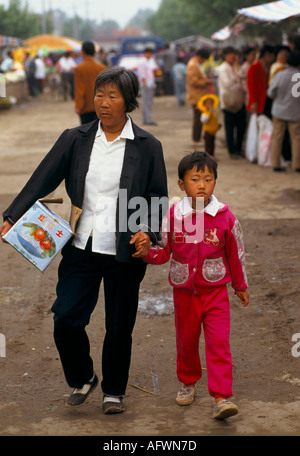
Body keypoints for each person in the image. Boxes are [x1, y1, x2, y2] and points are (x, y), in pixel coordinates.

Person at [0, 67, 168, 415]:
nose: (104, 103)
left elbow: (155, 199)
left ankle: (114, 391)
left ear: (129, 101)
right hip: (81, 246)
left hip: (124, 251)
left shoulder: (148, 146)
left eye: (113, 96)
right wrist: (11, 216)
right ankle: (84, 376)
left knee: (120, 326)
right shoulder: (74, 138)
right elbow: (41, 179)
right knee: (66, 318)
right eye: (99, 95)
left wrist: (147, 233)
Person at [140, 151, 249, 420]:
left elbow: (236, 254)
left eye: (208, 179)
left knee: (219, 344)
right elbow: (164, 251)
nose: (202, 185)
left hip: (216, 294)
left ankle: (222, 397)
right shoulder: (174, 215)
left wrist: (239, 284)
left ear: (215, 182)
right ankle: (188, 383)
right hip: (184, 294)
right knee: (186, 343)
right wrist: (145, 253)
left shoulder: (225, 217)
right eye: (195, 179)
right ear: (181, 184)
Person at [267, 52, 300, 172]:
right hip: (296, 112)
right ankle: (297, 165)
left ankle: (275, 164)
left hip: (279, 110)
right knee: (296, 139)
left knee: (277, 137)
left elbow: (271, 92)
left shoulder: (280, 75)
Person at [218, 47, 246, 159]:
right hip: (229, 101)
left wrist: (238, 67)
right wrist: (237, 79)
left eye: (233, 54)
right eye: (230, 54)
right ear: (225, 55)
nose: (232, 57)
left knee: (241, 126)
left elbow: (242, 76)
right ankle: (232, 150)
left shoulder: (235, 66)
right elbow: (228, 83)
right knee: (230, 127)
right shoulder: (223, 68)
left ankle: (238, 148)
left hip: (239, 100)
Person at [74, 41, 106, 125]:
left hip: (86, 106)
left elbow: (80, 89)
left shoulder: (79, 68)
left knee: (86, 132)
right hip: (100, 105)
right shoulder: (102, 68)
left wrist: (79, 105)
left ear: (83, 52)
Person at [186, 48, 212, 145]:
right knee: (198, 119)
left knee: (199, 118)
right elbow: (193, 81)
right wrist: (206, 82)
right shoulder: (193, 65)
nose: (204, 61)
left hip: (200, 95)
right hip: (196, 96)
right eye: (204, 59)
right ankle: (196, 139)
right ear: (200, 57)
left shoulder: (196, 64)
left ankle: (197, 138)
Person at [247, 45, 275, 119]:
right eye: (272, 55)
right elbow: (251, 86)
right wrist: (253, 101)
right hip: (258, 102)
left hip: (268, 100)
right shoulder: (254, 68)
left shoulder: (270, 68)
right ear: (266, 55)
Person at [138, 47, 157, 125]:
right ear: (145, 54)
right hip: (146, 85)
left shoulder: (149, 61)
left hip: (150, 84)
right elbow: (142, 74)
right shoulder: (142, 62)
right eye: (149, 53)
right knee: (146, 102)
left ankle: (146, 119)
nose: (150, 55)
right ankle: (148, 119)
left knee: (148, 102)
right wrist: (145, 84)